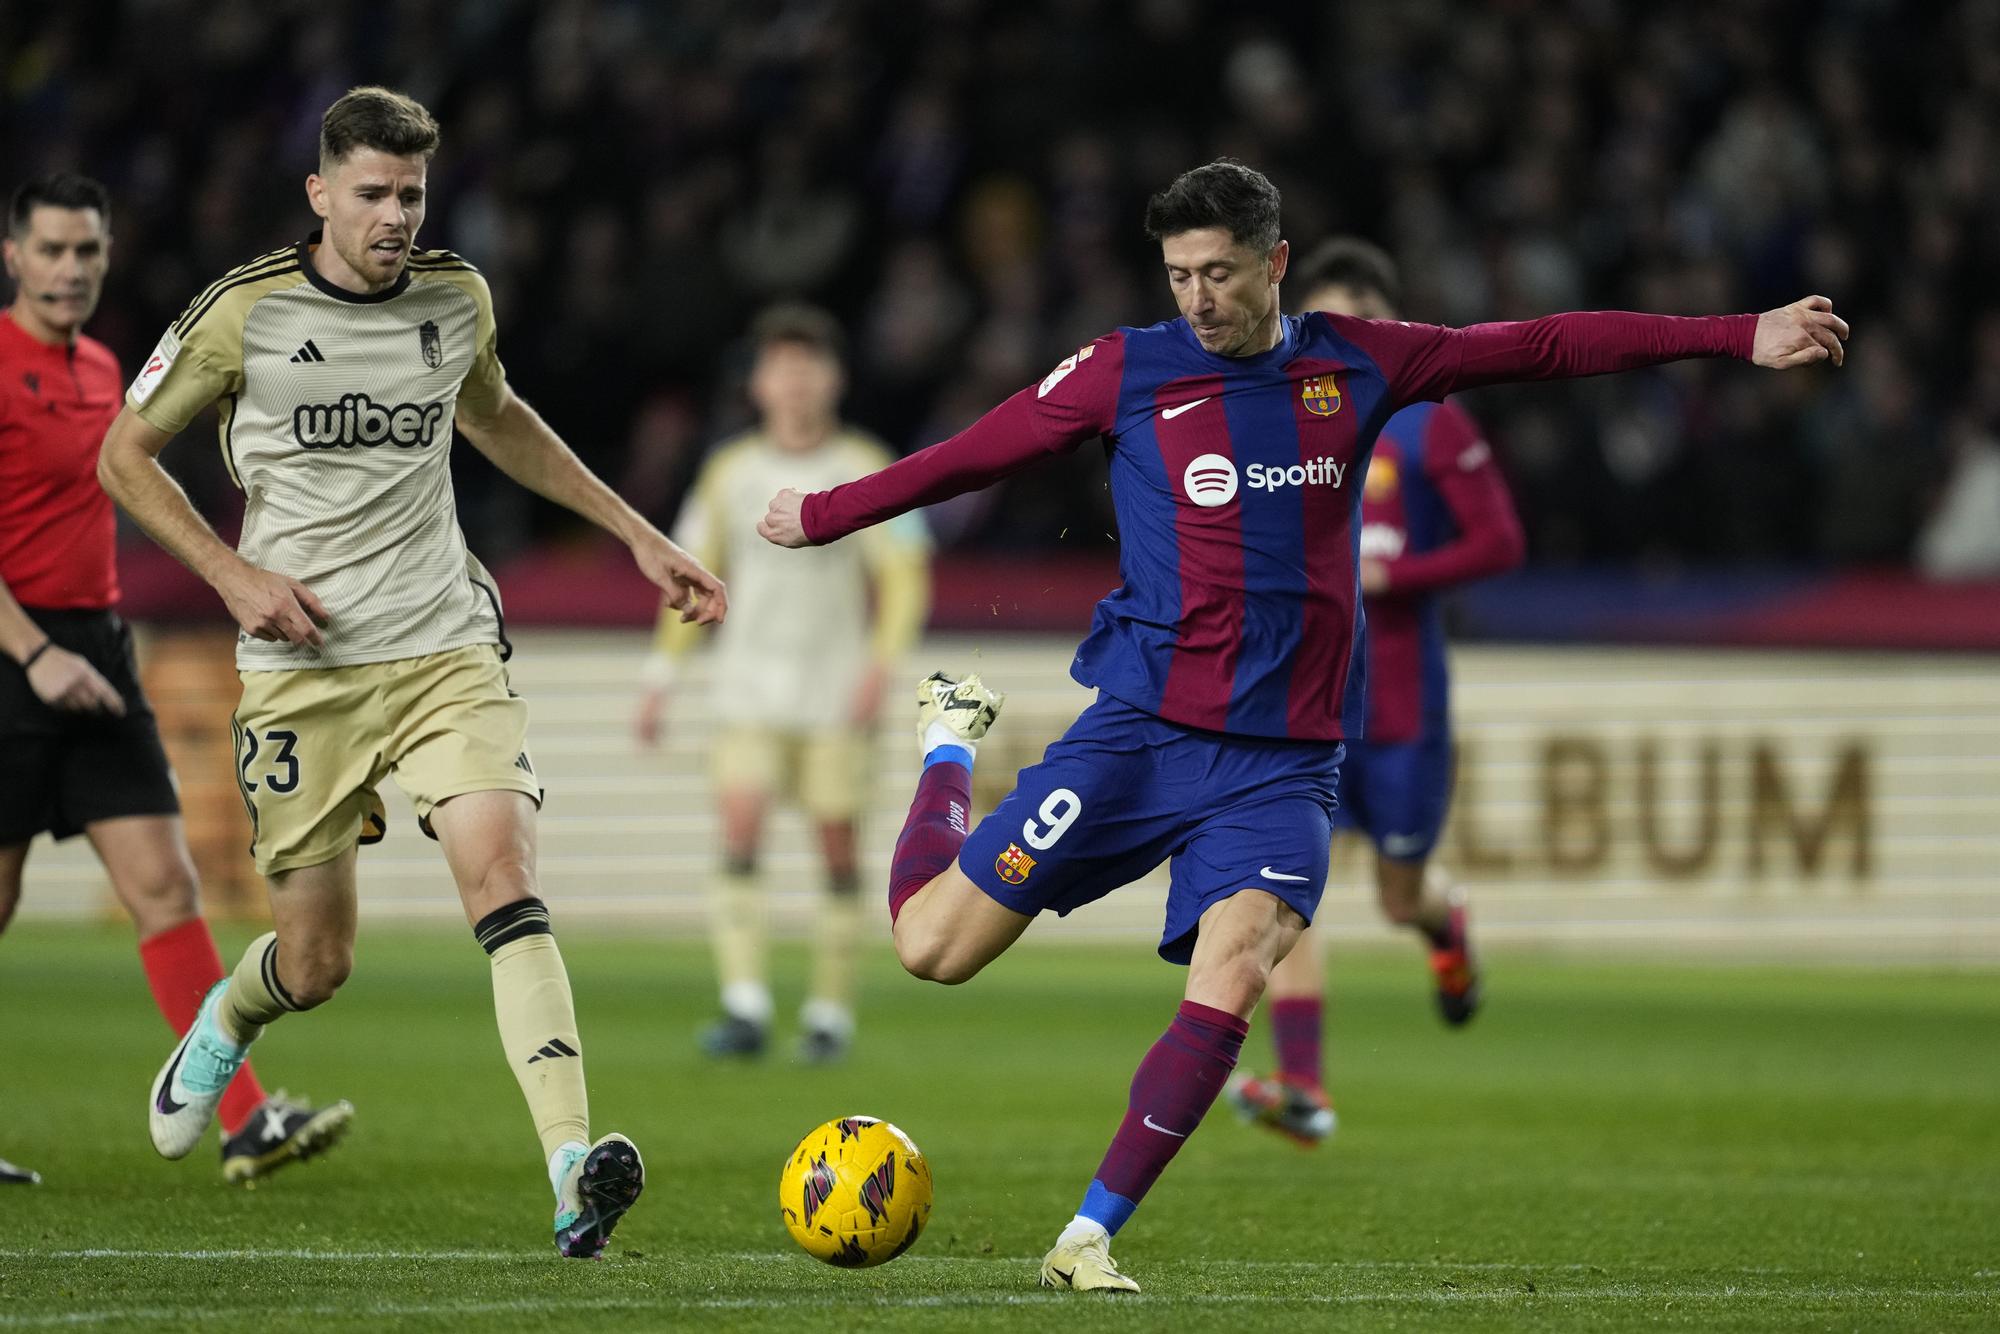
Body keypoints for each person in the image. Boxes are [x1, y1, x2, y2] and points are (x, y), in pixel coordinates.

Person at [758, 160, 1846, 1291]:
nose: (1196, 297)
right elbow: (977, 450)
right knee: (930, 949)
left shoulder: (1357, 361)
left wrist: (1737, 334)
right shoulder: (1125, 370)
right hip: (1139, 730)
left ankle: (1087, 1236)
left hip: (1282, 761)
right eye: (1177, 274)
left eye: (1218, 272)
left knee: (1235, 968)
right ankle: (948, 743)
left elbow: (1541, 344)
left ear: (1274, 262)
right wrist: (829, 513)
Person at [95, 88, 726, 1257]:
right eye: (374, 193)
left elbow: (500, 417)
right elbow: (123, 456)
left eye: (413, 195)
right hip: (303, 672)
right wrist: (234, 577)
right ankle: (228, 1015)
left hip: (443, 643)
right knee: (317, 957)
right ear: (320, 193)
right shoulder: (245, 315)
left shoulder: (456, 298)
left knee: (501, 870)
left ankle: (568, 1166)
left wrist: (637, 532)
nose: (395, 215)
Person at [1, 171, 351, 1186]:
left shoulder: (106, 364)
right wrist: (33, 652)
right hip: (16, 652)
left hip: (96, 648)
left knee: (165, 883)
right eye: (52, 250)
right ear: (12, 256)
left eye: (88, 251)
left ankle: (242, 1118)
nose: (71, 269)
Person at [1227, 237, 1526, 1148]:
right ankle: (1305, 1086)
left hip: (1399, 702)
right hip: (1305, 695)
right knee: (1286, 891)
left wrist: (1399, 578)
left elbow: (1502, 543)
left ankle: (1446, 921)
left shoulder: (1431, 421)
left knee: (1399, 898)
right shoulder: (1279, 416)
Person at [635, 303, 929, 1063]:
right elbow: (691, 575)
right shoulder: (731, 470)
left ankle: (830, 1011)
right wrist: (661, 675)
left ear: (834, 378)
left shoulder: (866, 463)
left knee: (836, 849)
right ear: (759, 382)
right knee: (739, 834)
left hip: (835, 691)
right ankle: (745, 1003)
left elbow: (904, 575)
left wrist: (881, 665)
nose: (795, 382)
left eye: (809, 366)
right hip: (747, 690)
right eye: (781, 367)